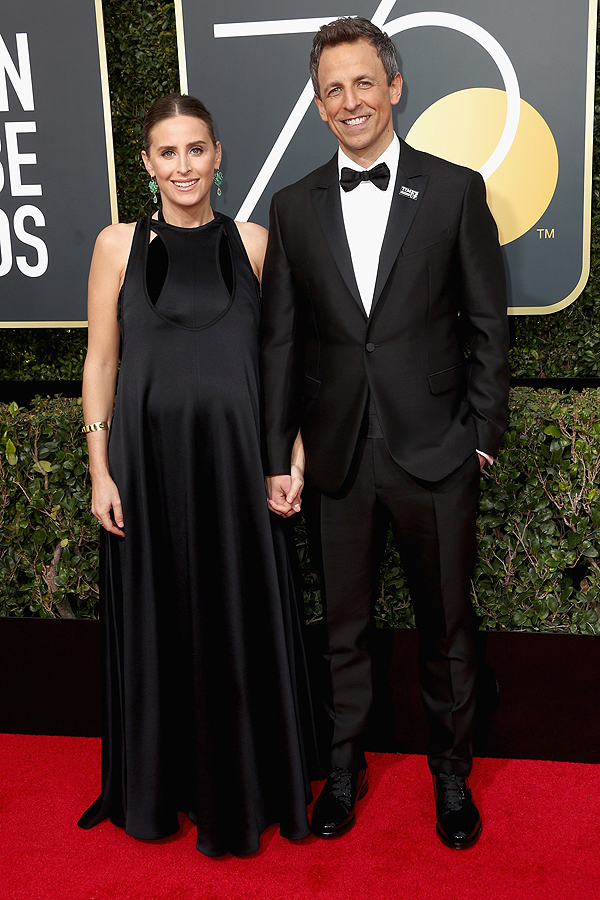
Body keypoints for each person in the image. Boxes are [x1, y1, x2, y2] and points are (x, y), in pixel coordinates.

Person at [260, 18, 509, 849]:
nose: (349, 101)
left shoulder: (453, 190)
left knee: (446, 628)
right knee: (342, 629)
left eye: (363, 82)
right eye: (332, 88)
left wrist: (482, 432)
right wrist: (277, 454)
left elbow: (486, 323)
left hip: (437, 450)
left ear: (394, 87)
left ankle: (450, 774)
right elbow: (283, 343)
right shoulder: (292, 207)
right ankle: (343, 769)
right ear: (319, 104)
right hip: (336, 458)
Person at [78, 93, 313, 857]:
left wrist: (291, 450)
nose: (184, 165)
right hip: (145, 473)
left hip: (239, 471)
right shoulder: (117, 246)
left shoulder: (253, 242)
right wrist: (98, 468)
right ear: (147, 165)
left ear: (218, 155)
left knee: (238, 618)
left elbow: (284, 362)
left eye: (196, 149)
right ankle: (157, 785)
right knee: (160, 620)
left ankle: (249, 784)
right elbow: (102, 361)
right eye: (167, 152)